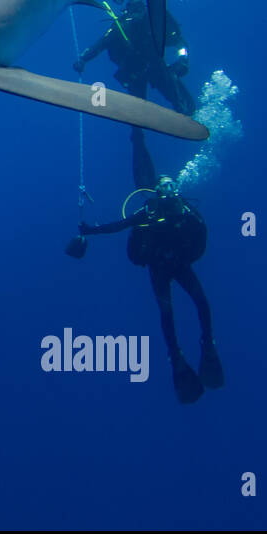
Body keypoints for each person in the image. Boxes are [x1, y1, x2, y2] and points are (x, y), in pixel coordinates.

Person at [70, 134, 223, 403]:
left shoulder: (186, 210)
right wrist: (90, 230)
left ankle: (207, 342)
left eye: (171, 184)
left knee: (201, 301)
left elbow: (202, 233)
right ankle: (175, 355)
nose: (168, 188)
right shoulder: (149, 211)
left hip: (179, 264)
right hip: (159, 268)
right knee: (167, 313)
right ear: (157, 190)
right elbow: (120, 225)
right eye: (163, 185)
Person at [74, 0, 195, 115]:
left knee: (172, 91)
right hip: (134, 72)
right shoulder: (121, 28)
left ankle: (181, 107)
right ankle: (141, 125)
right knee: (140, 106)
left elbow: (179, 43)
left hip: (153, 68)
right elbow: (100, 44)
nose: (137, 14)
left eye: (139, 9)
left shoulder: (151, 26)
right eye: (134, 10)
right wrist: (83, 59)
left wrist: (182, 60)